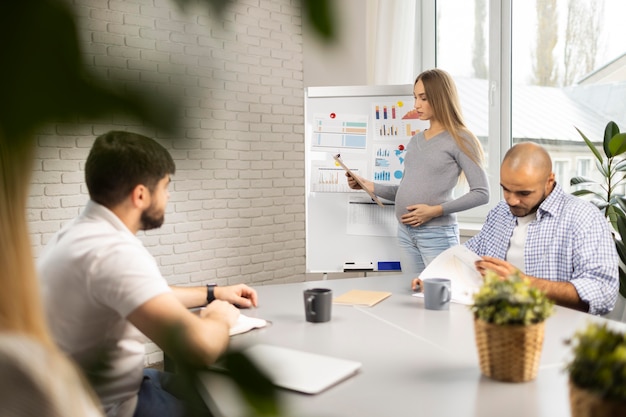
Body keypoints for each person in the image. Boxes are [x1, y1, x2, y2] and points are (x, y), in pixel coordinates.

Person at [37, 131, 259, 417]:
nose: (167, 196)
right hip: (114, 406)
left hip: (106, 386)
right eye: (165, 187)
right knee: (230, 404)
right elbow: (201, 349)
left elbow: (146, 294)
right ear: (141, 194)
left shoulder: (77, 234)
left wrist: (212, 293)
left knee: (212, 389)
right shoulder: (113, 252)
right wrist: (218, 315)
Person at [413, 142, 618, 315]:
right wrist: (433, 278)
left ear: (549, 181)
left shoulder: (583, 217)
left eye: (524, 193)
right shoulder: (500, 213)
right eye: (505, 189)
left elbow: (603, 291)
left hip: (554, 333)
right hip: (496, 327)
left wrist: (524, 283)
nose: (511, 200)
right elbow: (467, 259)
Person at [346, 68, 489, 273]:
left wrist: (434, 211)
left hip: (436, 234)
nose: (416, 105)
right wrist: (368, 185)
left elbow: (482, 193)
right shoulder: (415, 141)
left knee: (442, 296)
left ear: (440, 98)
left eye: (423, 98)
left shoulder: (460, 138)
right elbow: (404, 190)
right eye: (415, 97)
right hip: (405, 233)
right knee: (411, 296)